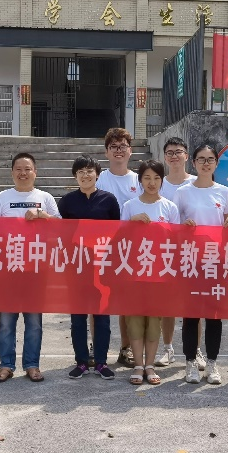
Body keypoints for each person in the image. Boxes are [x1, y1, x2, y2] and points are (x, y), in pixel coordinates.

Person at [0, 152, 60, 383]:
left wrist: (43, 215)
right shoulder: (1, 198)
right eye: (18, 169)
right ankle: (6, 365)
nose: (23, 173)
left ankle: (32, 364)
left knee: (34, 322)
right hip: (8, 270)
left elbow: (61, 227)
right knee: (6, 322)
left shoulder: (45, 198)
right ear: (12, 172)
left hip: (36, 270)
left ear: (35, 172)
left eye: (27, 169)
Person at [174, 143, 228, 385]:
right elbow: (173, 225)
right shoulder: (183, 192)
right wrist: (184, 228)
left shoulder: (224, 192)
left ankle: (212, 363)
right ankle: (190, 362)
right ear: (194, 163)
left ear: (216, 163)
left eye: (210, 159)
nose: (206, 163)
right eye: (201, 159)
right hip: (190, 259)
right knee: (190, 314)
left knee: (214, 314)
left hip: (216, 259)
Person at [57, 155, 120, 381]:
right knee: (78, 318)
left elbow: (116, 233)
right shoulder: (67, 202)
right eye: (81, 171)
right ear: (75, 176)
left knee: (102, 316)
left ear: (97, 174)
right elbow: (60, 233)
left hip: (102, 266)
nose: (85, 175)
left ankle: (101, 362)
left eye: (89, 171)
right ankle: (82, 362)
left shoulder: (109, 200)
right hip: (76, 267)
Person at [120, 159, 180, 386]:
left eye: (156, 178)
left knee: (154, 320)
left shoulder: (170, 207)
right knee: (135, 319)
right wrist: (131, 223)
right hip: (134, 273)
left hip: (160, 273)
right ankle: (138, 364)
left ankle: (150, 365)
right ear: (140, 181)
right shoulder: (130, 206)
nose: (152, 182)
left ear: (162, 181)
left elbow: (176, 241)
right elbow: (119, 239)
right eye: (147, 178)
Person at [95, 127, 140, 368]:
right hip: (103, 248)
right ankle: (96, 347)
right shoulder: (99, 179)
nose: (118, 151)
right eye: (113, 147)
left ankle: (126, 348)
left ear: (130, 151)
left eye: (123, 146)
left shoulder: (139, 180)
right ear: (106, 152)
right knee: (98, 300)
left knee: (126, 302)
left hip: (132, 250)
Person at [153, 136, 195, 369]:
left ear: (186, 156)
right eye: (169, 152)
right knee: (167, 304)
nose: (174, 156)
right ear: (164, 157)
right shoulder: (160, 184)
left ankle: (195, 350)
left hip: (194, 252)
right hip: (165, 252)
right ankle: (168, 348)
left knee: (193, 305)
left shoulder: (198, 182)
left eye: (178, 152)